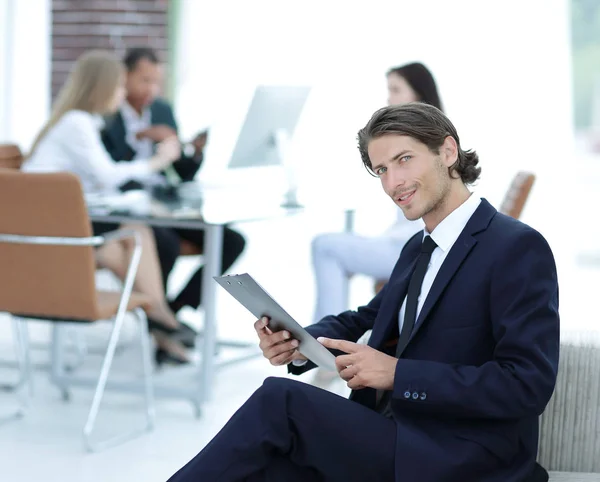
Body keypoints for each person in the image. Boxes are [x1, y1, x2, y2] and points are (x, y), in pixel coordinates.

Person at [167, 103, 559, 482]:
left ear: (448, 151)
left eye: (404, 160)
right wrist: (299, 341)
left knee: (280, 402)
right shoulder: (419, 246)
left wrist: (398, 374)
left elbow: (527, 385)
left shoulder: (515, 247)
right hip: (399, 435)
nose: (393, 183)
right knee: (268, 468)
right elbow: (367, 318)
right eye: (381, 170)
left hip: (463, 456)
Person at [22, 50, 191, 365]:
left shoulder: (78, 122)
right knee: (137, 234)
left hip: (55, 233)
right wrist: (157, 162)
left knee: (120, 247)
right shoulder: (78, 123)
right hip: (44, 243)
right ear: (101, 88)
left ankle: (160, 319)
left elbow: (97, 183)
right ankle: (162, 318)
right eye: (118, 88)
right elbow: (107, 175)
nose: (123, 94)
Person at [101, 47, 246, 317]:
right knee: (163, 243)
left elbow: (184, 173)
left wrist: (194, 151)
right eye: (145, 80)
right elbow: (106, 171)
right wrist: (142, 141)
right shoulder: (108, 114)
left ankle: (174, 311)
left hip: (163, 202)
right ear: (126, 77)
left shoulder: (161, 110)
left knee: (231, 241)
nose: (151, 89)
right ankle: (160, 321)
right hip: (129, 208)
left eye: (156, 82)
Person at [312, 62, 442, 325]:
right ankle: (324, 341)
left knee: (326, 247)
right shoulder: (416, 138)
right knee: (333, 249)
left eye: (395, 89)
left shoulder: (422, 143)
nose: (388, 98)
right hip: (405, 242)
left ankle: (322, 346)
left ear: (417, 94)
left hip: (413, 248)